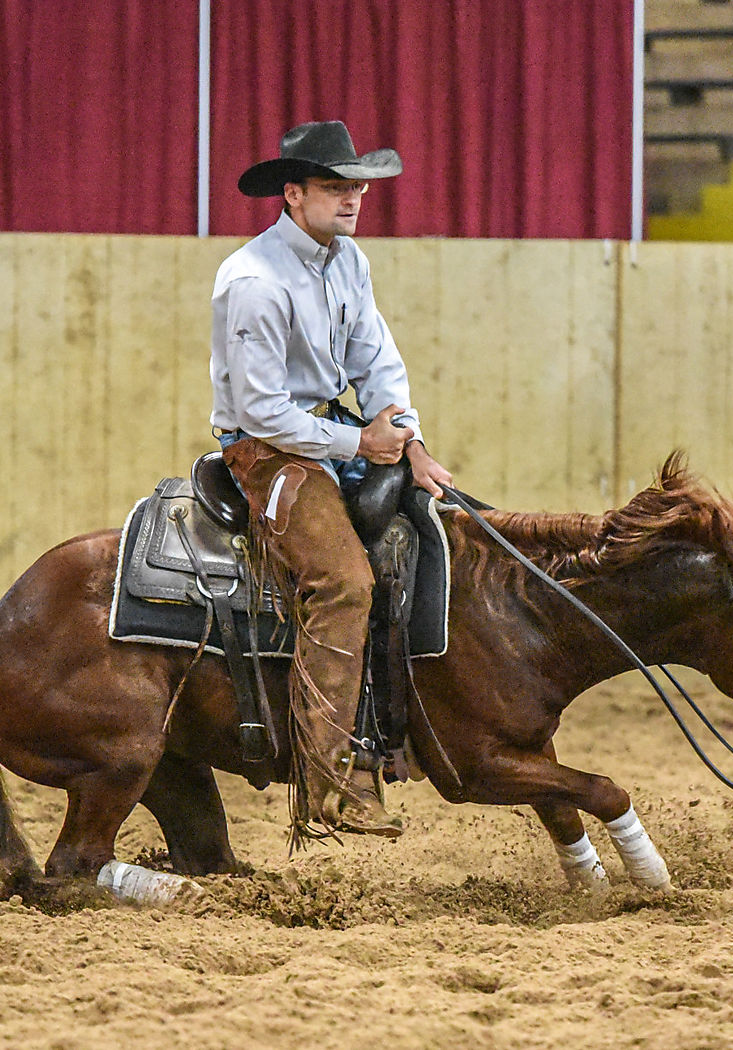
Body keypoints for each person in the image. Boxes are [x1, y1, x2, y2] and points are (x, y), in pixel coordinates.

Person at [210, 121, 453, 840]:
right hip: (269, 452)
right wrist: (360, 440)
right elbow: (260, 412)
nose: (352, 199)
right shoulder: (253, 282)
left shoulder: (346, 261)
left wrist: (403, 434)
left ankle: (403, 733)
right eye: (334, 187)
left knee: (445, 531)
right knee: (343, 581)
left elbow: (377, 358)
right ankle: (329, 778)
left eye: (356, 187)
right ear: (293, 194)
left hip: (340, 434)